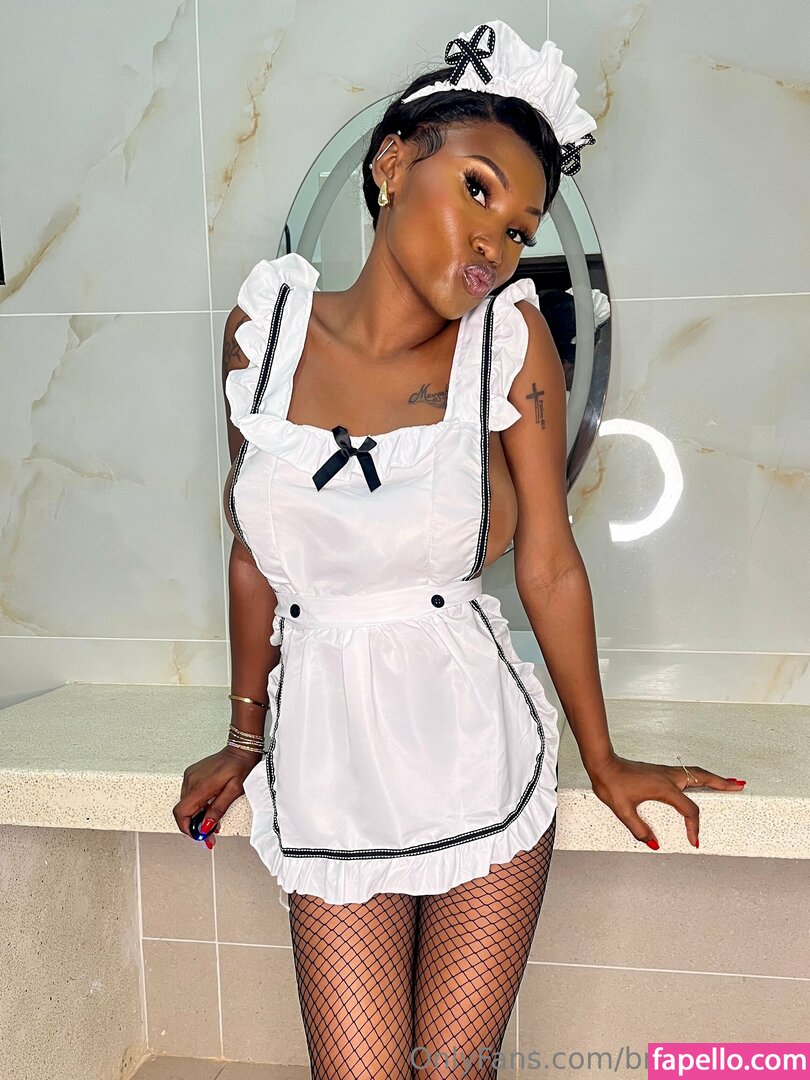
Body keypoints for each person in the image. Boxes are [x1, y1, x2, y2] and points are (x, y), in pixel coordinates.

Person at [173, 21, 746, 1078]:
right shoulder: (264, 332)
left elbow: (550, 564)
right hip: (329, 760)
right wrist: (245, 736)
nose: (495, 243)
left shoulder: (510, 343)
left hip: (474, 745)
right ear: (393, 166)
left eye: (520, 227)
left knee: (452, 1072)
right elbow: (254, 550)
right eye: (477, 190)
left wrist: (603, 757)